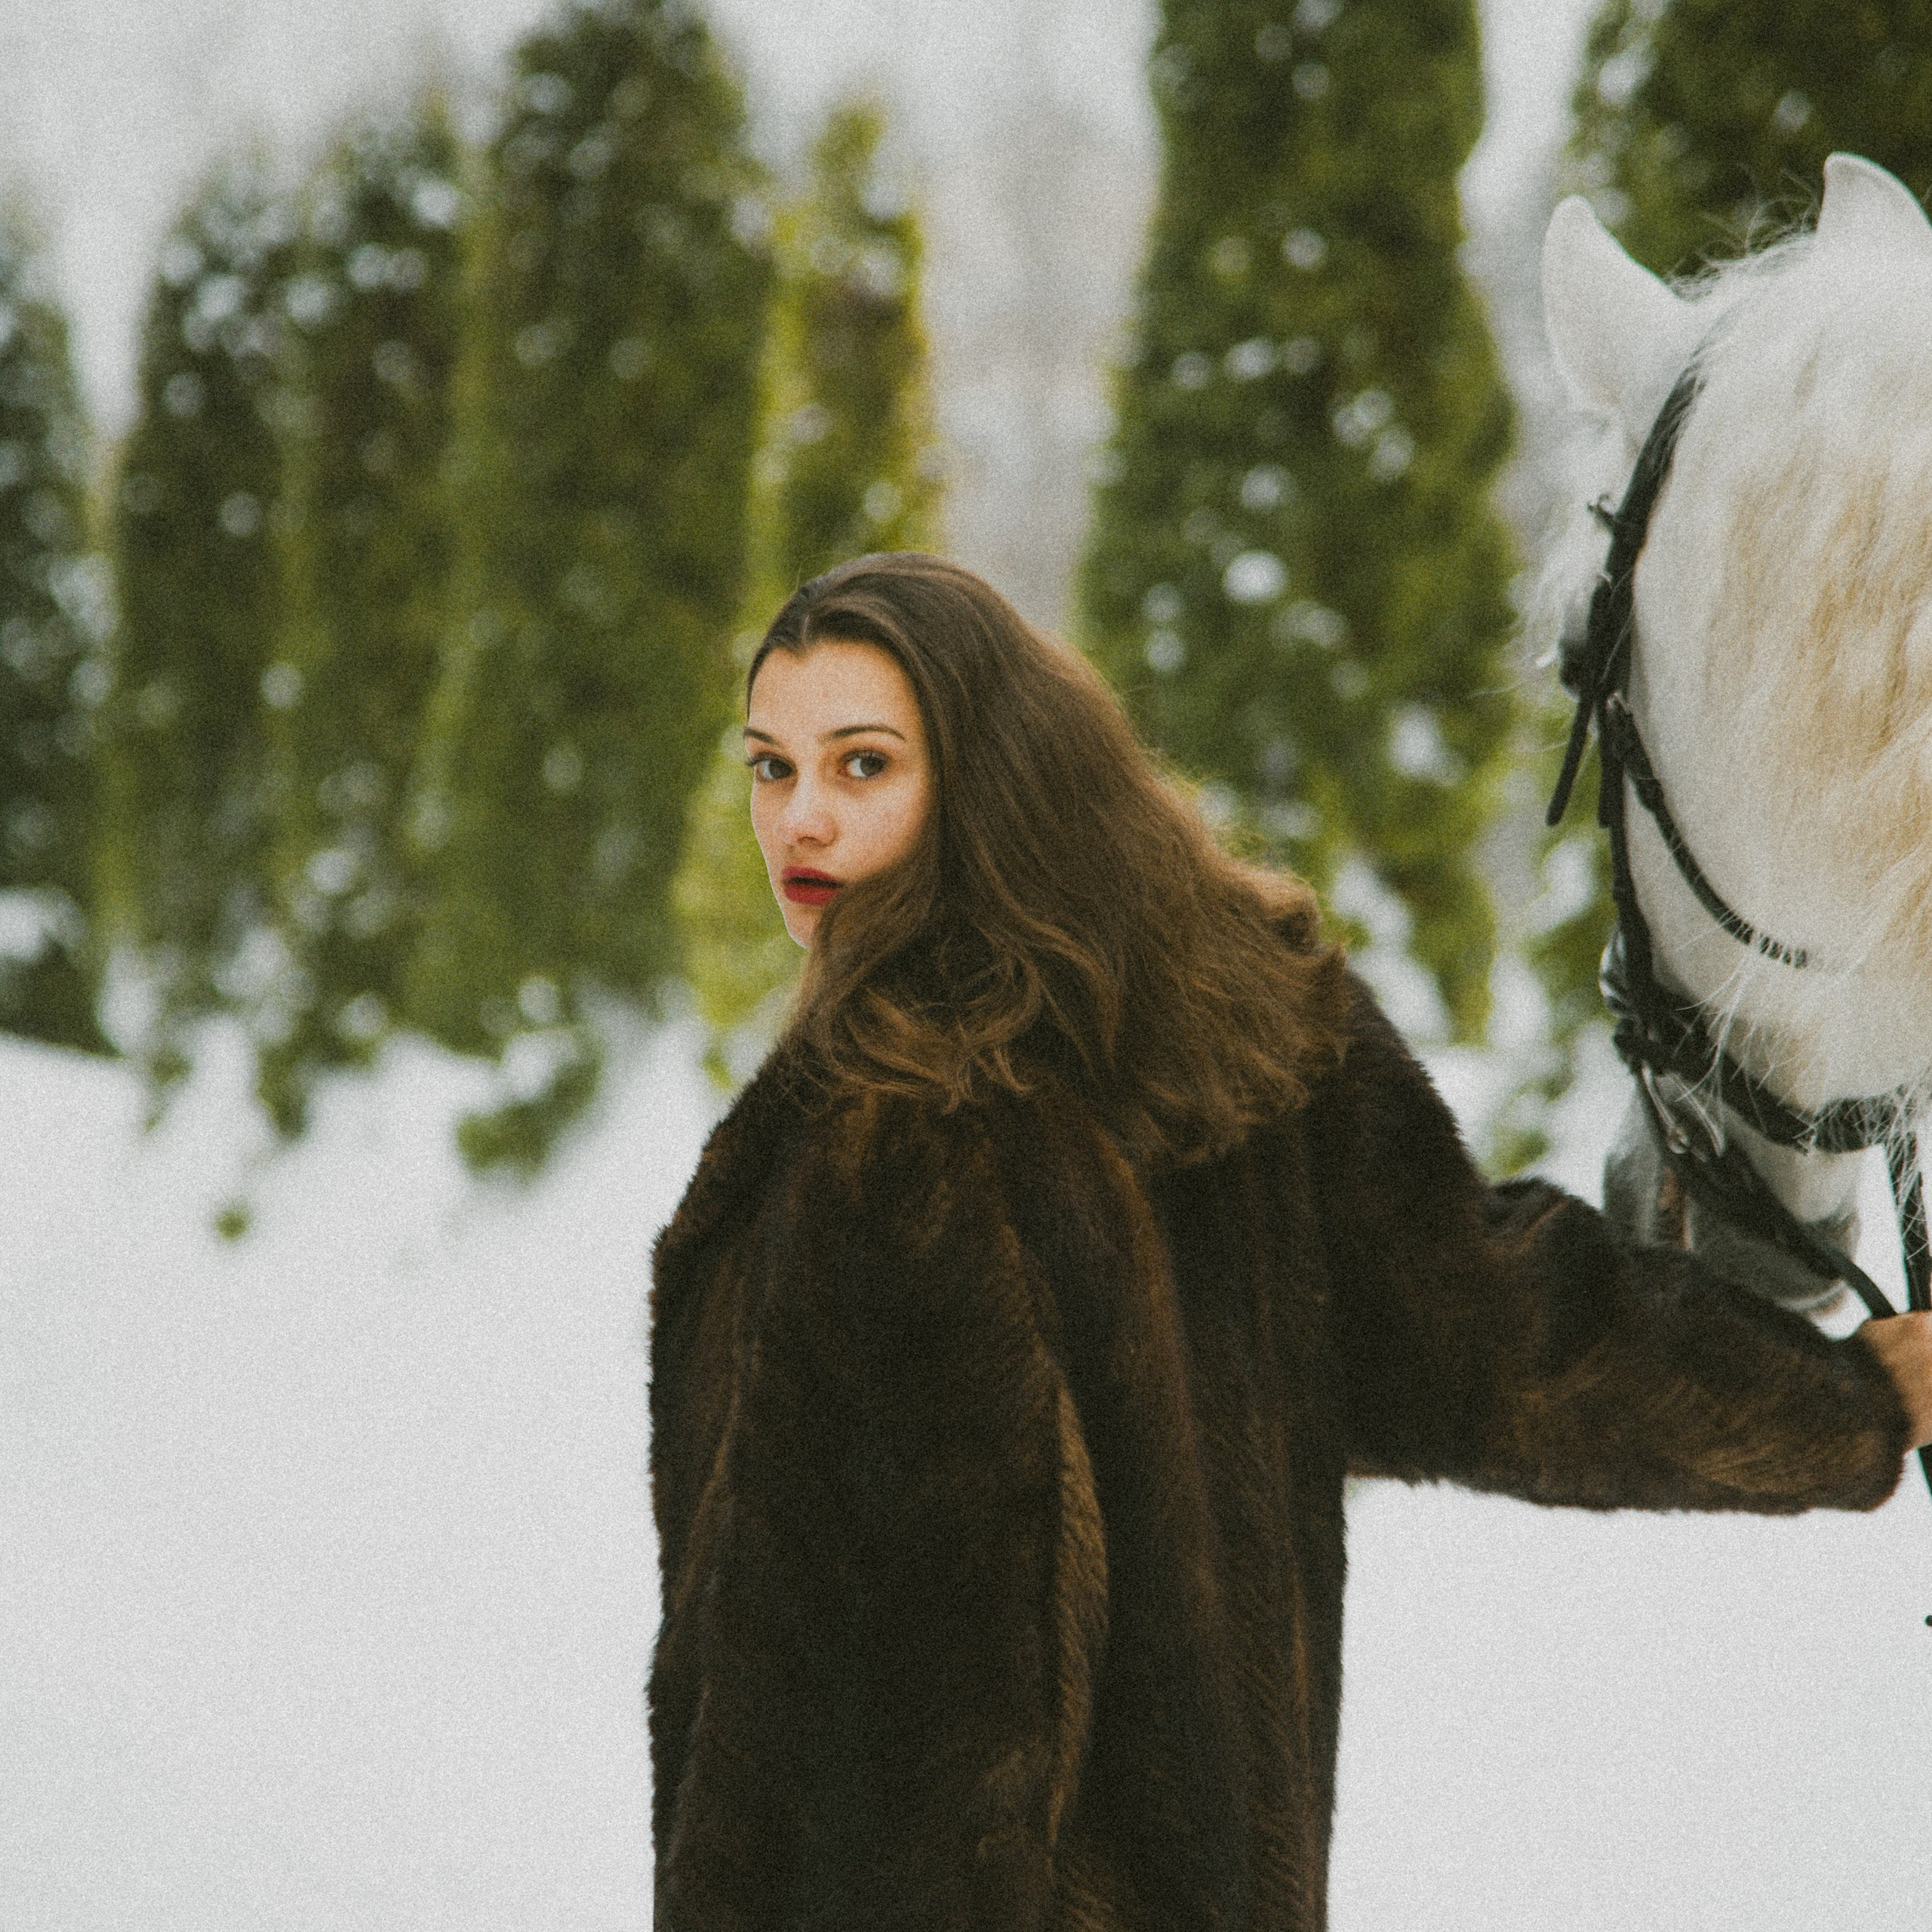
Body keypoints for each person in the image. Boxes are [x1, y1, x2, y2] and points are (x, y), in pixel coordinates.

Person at [648, 552, 1932, 1930]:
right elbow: (1497, 1340)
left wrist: (1847, 1402)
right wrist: (1838, 1401)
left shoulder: (892, 1132)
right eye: (771, 768)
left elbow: (867, 1746)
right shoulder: (1234, 1027)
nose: (802, 825)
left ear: (991, 772)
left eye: (864, 765)